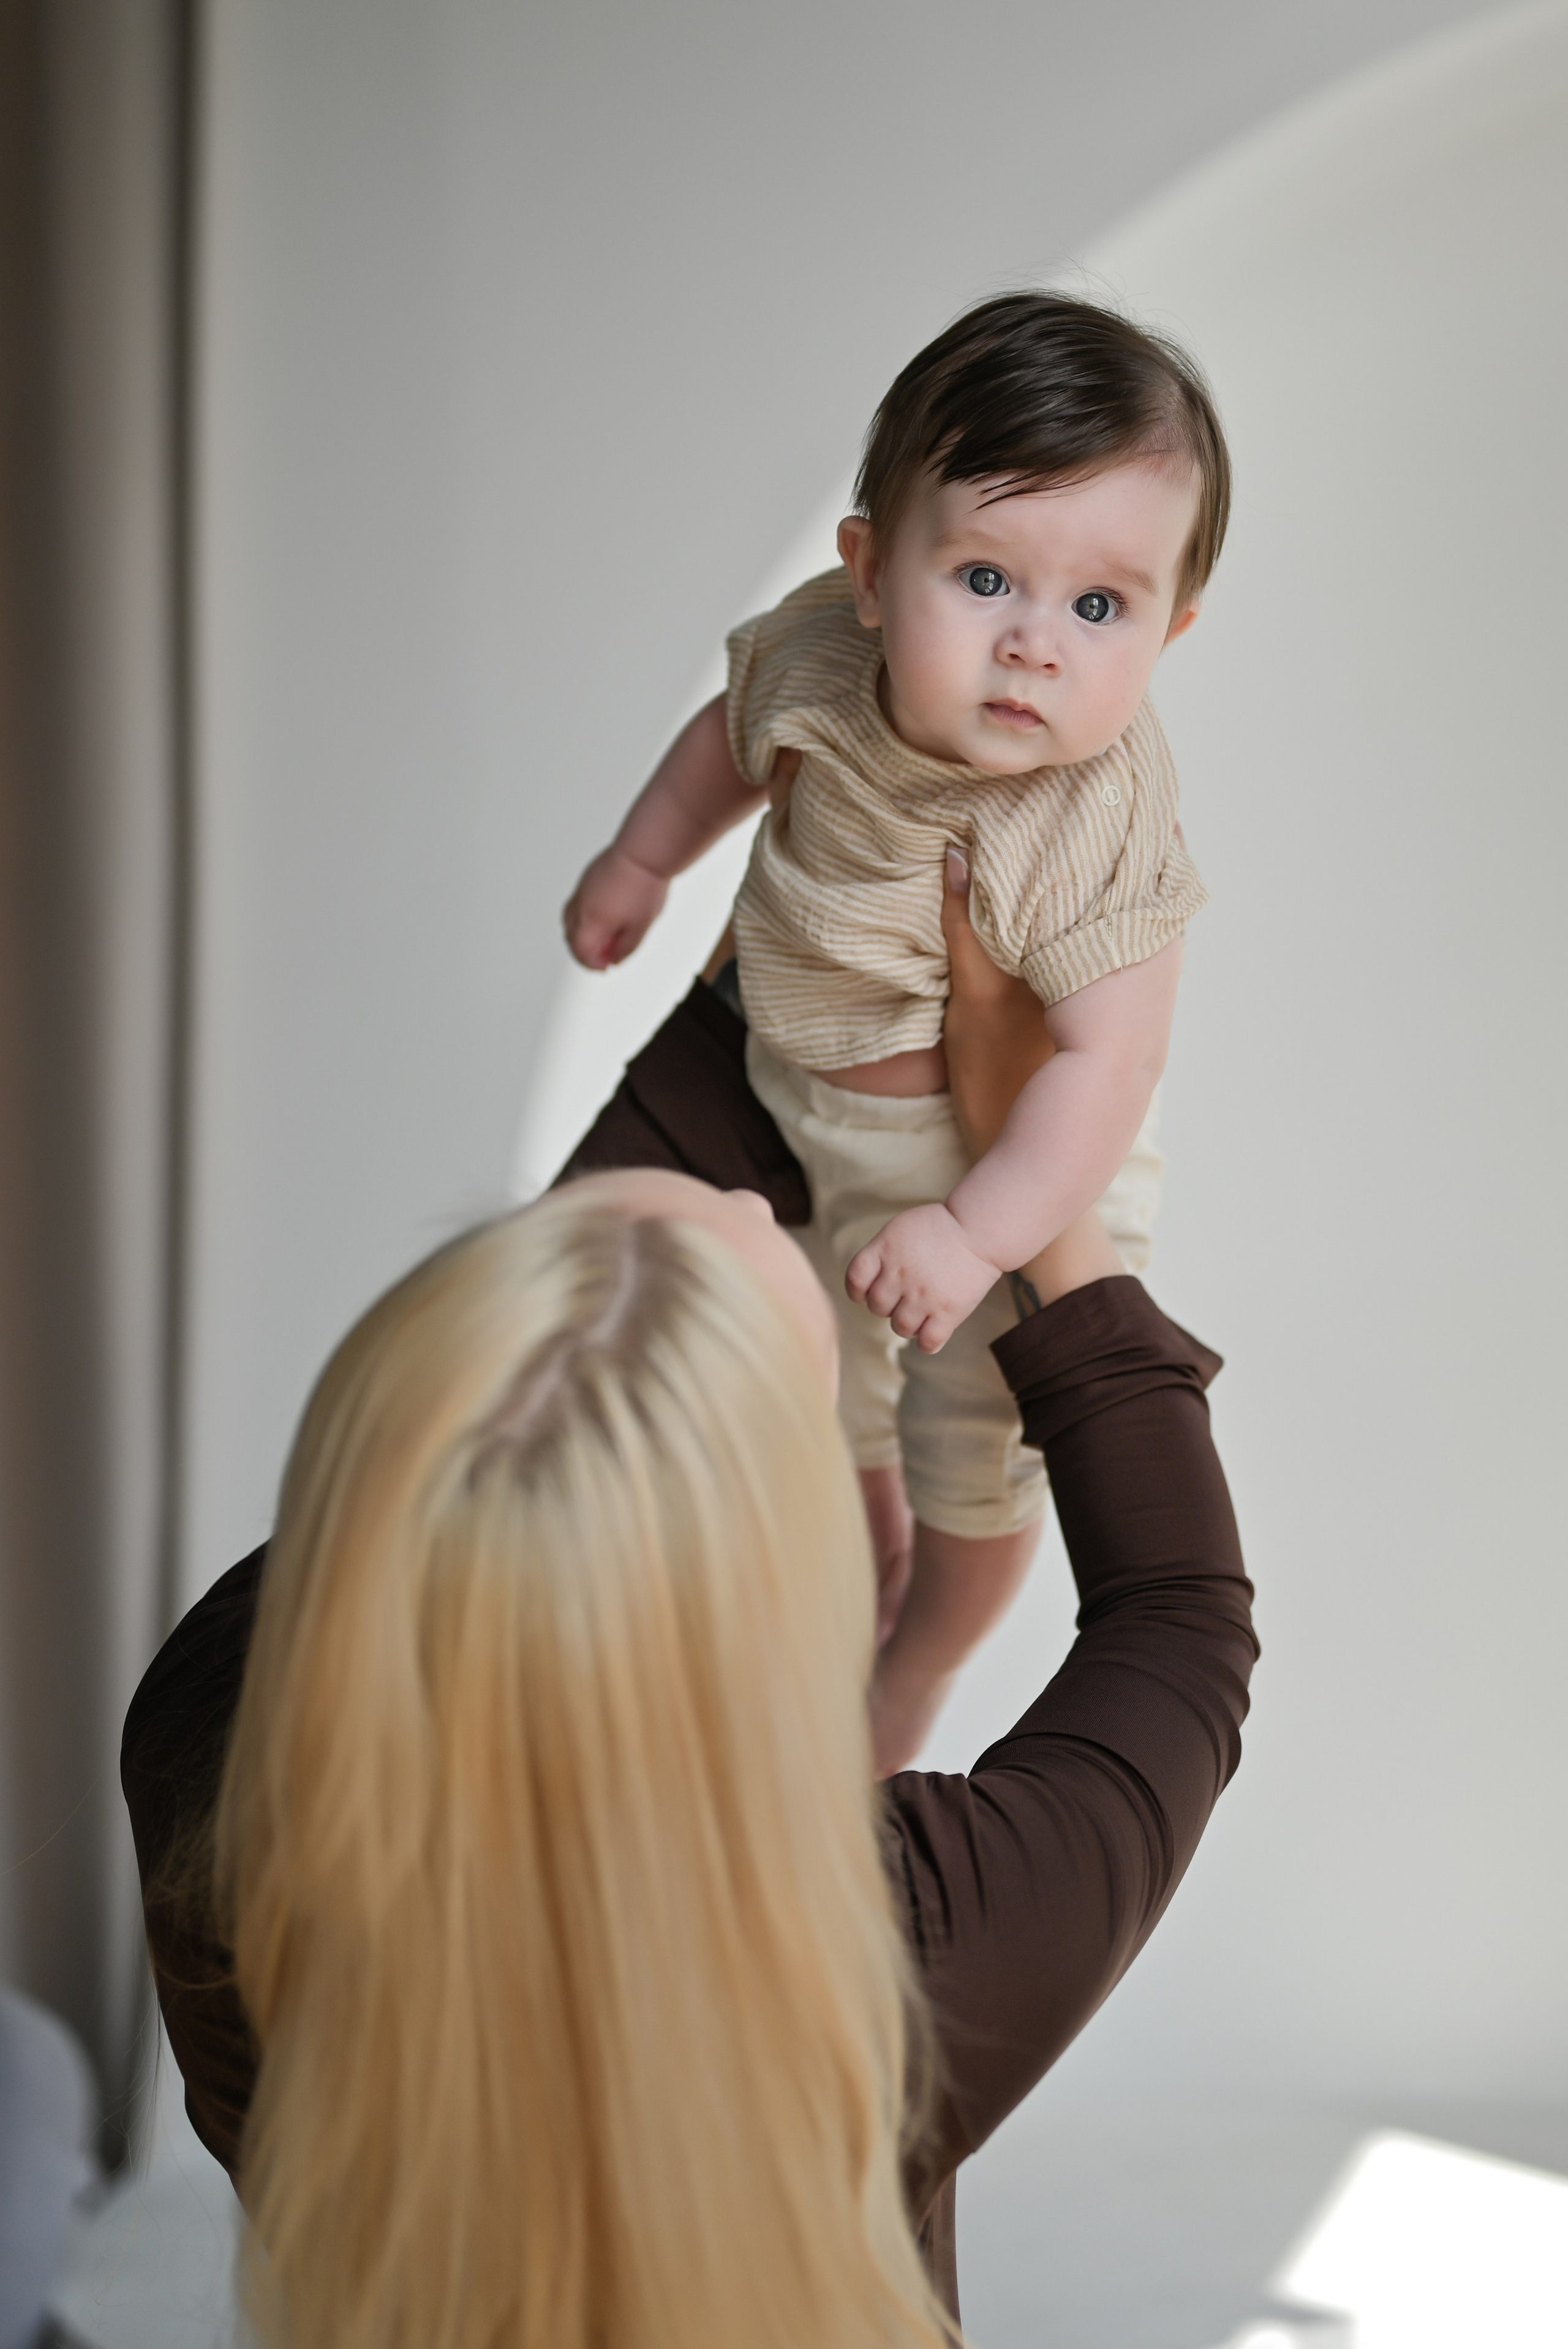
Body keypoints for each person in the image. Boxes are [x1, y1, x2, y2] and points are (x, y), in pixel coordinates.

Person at [122, 870, 1256, 2347]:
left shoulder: (211, 1750)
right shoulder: (899, 1952)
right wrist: (1041, 1190)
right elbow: (1178, 1617)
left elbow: (530, 1381)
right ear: (782, 1564)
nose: (748, 1190)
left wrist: (781, 975)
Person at [564, 291, 1231, 1769]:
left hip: (996, 1178)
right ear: (866, 571)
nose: (1032, 649)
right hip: (795, 1105)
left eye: (1099, 608)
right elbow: (728, 741)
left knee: (969, 1469)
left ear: (1170, 627)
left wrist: (980, 1233)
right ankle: (850, 1549)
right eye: (984, 575)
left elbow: (1104, 1063)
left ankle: (915, 1665)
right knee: (819, 1387)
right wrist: (640, 859)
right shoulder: (817, 655)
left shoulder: (1092, 807)